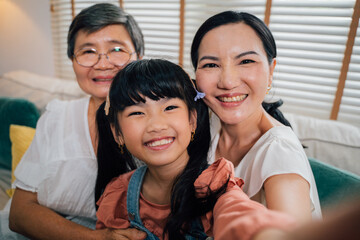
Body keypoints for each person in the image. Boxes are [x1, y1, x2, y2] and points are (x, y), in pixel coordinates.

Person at [95, 58, 297, 240]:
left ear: (192, 120)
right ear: (117, 133)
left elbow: (239, 214)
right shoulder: (117, 194)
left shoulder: (214, 184)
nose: (156, 125)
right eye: (137, 112)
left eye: (170, 108)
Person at [3, 3, 147, 240]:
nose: (102, 64)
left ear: (139, 57)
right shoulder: (56, 116)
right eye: (88, 51)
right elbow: (18, 213)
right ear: (72, 60)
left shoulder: (161, 122)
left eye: (117, 49)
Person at [190, 11, 322, 223]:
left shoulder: (281, 154)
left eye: (245, 61)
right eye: (211, 65)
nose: (228, 82)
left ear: (271, 71)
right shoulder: (206, 123)